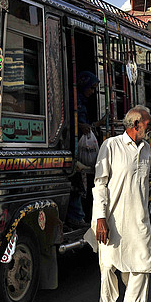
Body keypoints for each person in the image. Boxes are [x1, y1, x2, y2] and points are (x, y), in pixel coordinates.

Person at [88, 105, 151, 302]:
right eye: (148, 123)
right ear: (136, 124)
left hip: (139, 218)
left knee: (142, 265)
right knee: (108, 265)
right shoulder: (111, 146)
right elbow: (100, 184)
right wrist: (100, 218)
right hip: (112, 218)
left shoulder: (147, 148)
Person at [66, 71, 101, 230]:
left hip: (77, 145)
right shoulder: (74, 100)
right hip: (72, 147)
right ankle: (76, 217)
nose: (92, 92)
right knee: (76, 182)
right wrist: (80, 126)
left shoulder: (81, 100)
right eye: (91, 88)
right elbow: (71, 120)